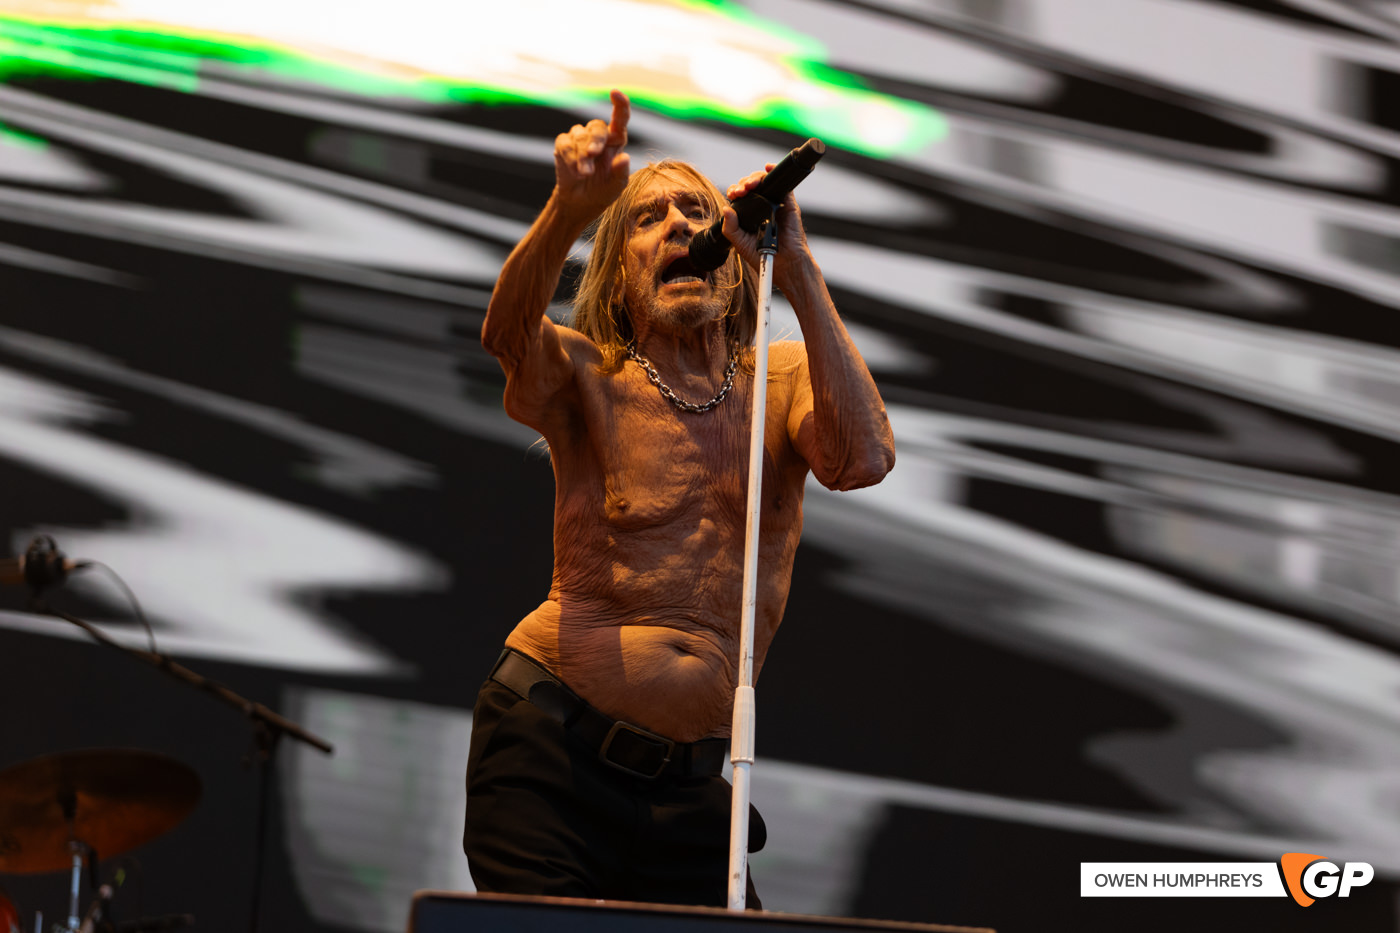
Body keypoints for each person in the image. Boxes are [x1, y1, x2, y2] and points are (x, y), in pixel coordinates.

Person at [464, 89, 895, 908]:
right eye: (647, 218)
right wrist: (571, 208)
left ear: (732, 271)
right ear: (621, 277)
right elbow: (507, 337)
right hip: (554, 751)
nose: (678, 229)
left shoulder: (782, 381)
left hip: (696, 788)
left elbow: (862, 458)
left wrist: (794, 264)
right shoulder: (593, 377)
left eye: (697, 213)